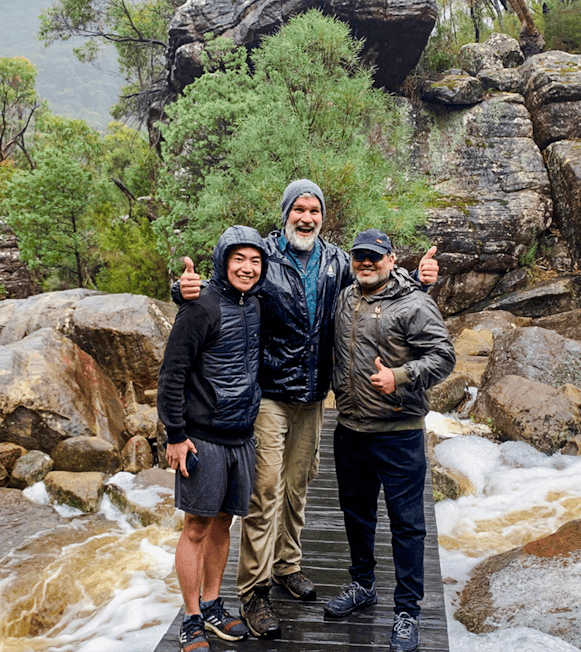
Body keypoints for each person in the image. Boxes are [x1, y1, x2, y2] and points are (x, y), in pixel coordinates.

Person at [178, 180, 439, 639]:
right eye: (298, 209)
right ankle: (255, 590)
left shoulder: (338, 261)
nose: (306, 217)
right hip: (271, 395)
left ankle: (288, 564)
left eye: (314, 209)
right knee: (264, 493)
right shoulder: (264, 256)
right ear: (285, 214)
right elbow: (225, 283)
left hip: (316, 397)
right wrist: (182, 291)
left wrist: (422, 281)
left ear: (323, 216)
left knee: (298, 486)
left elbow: (378, 286)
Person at [323, 228, 455, 652]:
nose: (366, 263)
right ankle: (362, 586)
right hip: (350, 431)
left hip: (399, 434)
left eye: (374, 257)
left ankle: (407, 612)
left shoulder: (415, 302)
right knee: (357, 516)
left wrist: (398, 377)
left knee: (408, 526)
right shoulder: (344, 298)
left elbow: (443, 356)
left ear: (391, 259)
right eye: (360, 256)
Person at [158, 225, 267, 652]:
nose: (247, 267)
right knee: (197, 525)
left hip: (241, 434)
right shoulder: (200, 306)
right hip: (202, 436)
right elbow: (172, 373)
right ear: (223, 261)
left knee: (225, 522)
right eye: (238, 258)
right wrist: (175, 435)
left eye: (255, 260)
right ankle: (191, 619)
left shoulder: (257, 303)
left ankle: (213, 605)